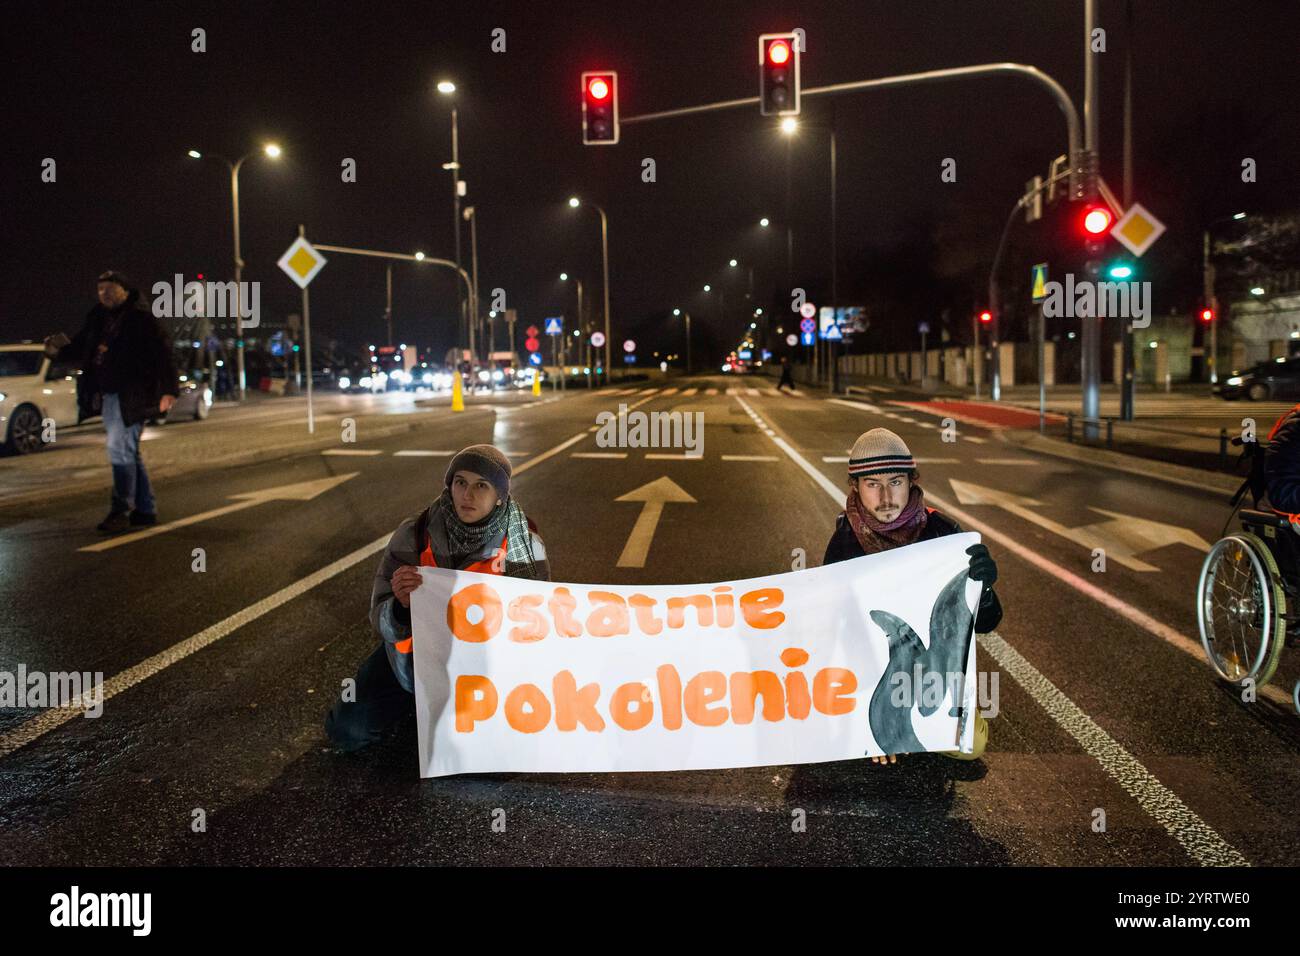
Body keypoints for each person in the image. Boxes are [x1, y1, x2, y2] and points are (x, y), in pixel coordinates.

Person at [325, 444, 550, 751]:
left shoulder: (523, 545)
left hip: (486, 667)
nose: (467, 495)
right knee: (348, 730)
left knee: (488, 758)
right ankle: (416, 704)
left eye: (481, 485)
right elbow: (379, 618)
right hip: (411, 661)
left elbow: (538, 626)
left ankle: (442, 712)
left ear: (500, 496)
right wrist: (401, 608)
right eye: (460, 483)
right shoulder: (415, 533)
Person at [823, 427, 1000, 764]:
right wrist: (867, 722)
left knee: (970, 745)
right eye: (873, 484)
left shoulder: (944, 534)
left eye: (896, 482)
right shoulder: (844, 540)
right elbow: (832, 629)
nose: (886, 497)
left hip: (933, 667)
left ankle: (924, 723)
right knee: (845, 734)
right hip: (871, 667)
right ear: (856, 488)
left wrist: (985, 587)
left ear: (911, 482)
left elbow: (987, 623)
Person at [45, 271, 178, 533]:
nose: (104, 293)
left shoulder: (141, 319)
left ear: (125, 291)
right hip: (110, 394)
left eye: (110, 288)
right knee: (128, 451)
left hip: (133, 393)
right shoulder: (98, 318)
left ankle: (121, 510)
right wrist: (57, 351)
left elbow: (164, 353)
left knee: (119, 450)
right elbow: (82, 347)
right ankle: (145, 509)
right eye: (100, 289)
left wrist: (169, 390)